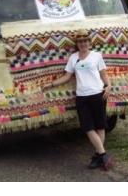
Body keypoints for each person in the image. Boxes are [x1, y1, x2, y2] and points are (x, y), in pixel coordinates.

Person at [42, 29, 113, 170]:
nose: (83, 43)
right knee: (87, 127)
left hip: (98, 94)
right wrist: (51, 84)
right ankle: (103, 155)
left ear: (89, 42)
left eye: (85, 41)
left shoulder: (96, 56)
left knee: (100, 126)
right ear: (77, 43)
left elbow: (103, 74)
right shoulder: (73, 58)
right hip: (82, 97)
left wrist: (109, 86)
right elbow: (67, 76)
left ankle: (98, 157)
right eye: (80, 41)